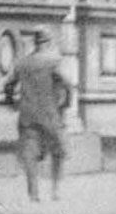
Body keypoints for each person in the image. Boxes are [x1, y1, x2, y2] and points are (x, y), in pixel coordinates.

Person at [6, 28, 71, 202]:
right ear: (49, 42)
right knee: (58, 151)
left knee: (30, 154)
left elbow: (9, 85)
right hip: (50, 114)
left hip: (27, 114)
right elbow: (66, 83)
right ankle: (56, 190)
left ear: (35, 42)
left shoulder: (22, 63)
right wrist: (65, 104)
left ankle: (33, 193)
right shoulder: (54, 61)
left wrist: (12, 103)